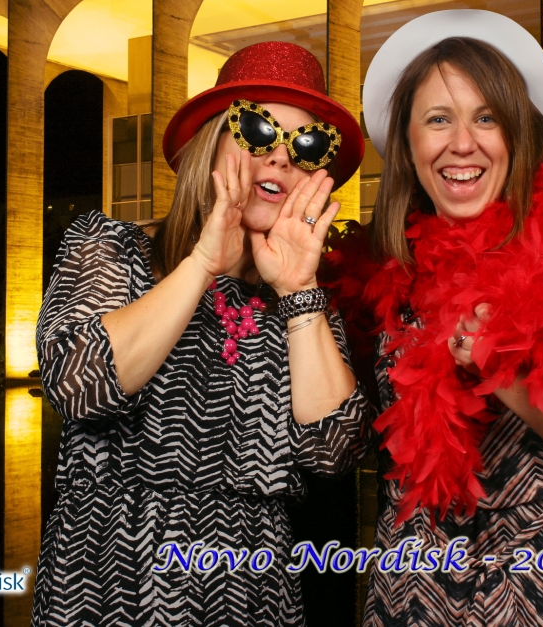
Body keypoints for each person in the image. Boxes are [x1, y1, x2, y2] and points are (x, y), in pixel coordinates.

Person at [329, 10, 543, 625]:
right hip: (410, 595)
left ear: (516, 136)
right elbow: (349, 438)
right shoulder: (388, 273)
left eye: (486, 118)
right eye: (438, 119)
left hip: (540, 596)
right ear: (408, 145)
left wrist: (506, 374)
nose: (463, 143)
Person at [30, 41, 371, 627]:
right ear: (210, 143)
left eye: (306, 145)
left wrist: (298, 290)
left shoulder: (305, 298)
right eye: (259, 130)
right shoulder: (112, 247)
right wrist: (202, 263)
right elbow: (78, 385)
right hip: (109, 580)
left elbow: (333, 453)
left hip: (254, 592)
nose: (281, 158)